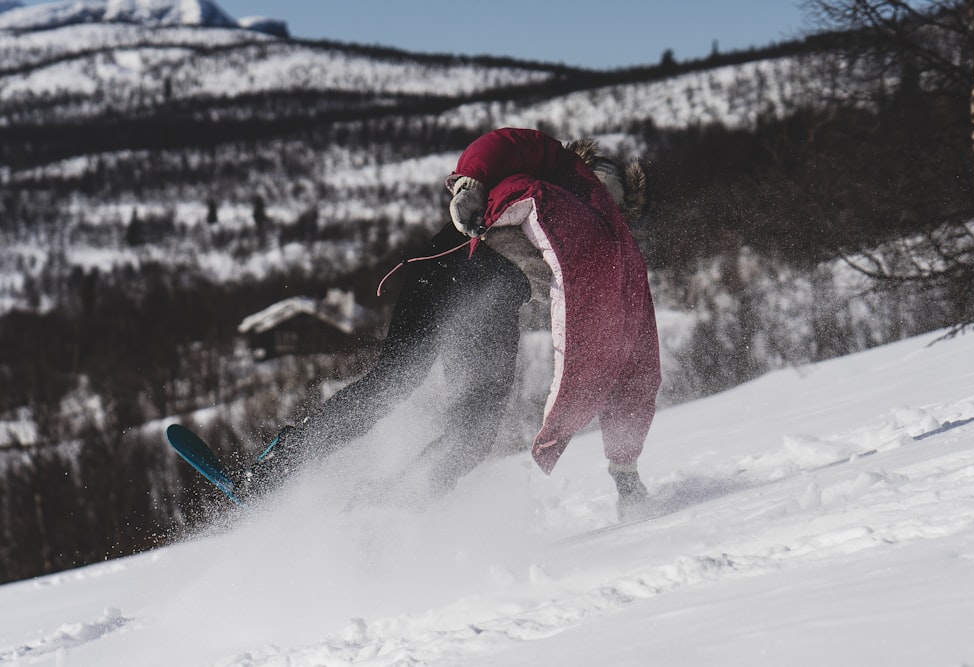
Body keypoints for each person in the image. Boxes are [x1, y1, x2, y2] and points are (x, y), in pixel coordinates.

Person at [239, 128, 661, 517]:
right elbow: (503, 145)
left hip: (494, 305)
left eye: (611, 202)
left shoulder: (610, 259)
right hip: (452, 260)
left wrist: (624, 471)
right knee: (396, 380)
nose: (596, 199)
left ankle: (385, 507)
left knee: (473, 430)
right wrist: (469, 185)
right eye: (594, 185)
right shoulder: (557, 166)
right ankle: (279, 465)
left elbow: (632, 362)